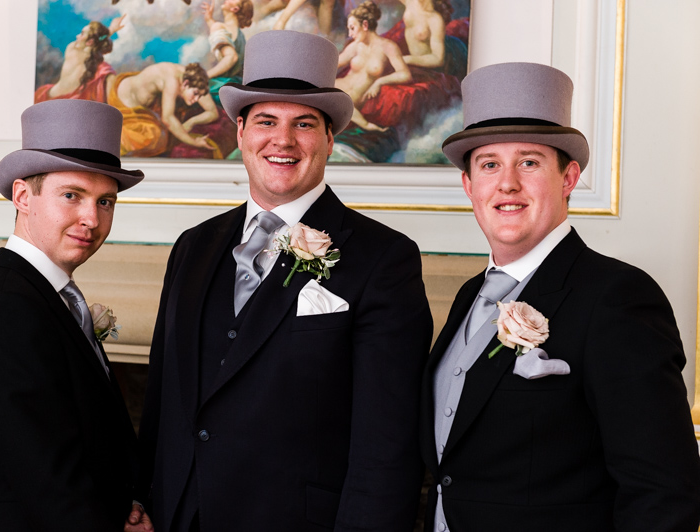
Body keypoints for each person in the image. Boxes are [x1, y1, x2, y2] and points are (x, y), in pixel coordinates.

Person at [129, 30, 433, 531]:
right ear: (241, 132)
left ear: (330, 138)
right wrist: (142, 500)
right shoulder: (192, 246)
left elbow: (388, 442)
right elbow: (163, 400)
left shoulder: (385, 258)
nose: (283, 140)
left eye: (304, 124)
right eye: (266, 121)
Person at [420, 62, 700, 531]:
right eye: (489, 164)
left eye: (529, 162)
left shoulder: (618, 297)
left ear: (568, 178)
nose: (507, 183)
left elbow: (664, 491)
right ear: (469, 185)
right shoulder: (472, 294)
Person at [0, 99, 151, 531]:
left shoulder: (45, 295)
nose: (91, 218)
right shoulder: (7, 307)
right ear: (23, 196)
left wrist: (128, 505)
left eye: (106, 201)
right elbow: (47, 478)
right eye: (71, 195)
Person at [107, 62, 218, 156]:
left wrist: (192, 121)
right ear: (185, 84)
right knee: (155, 138)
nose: (196, 99)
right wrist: (194, 142)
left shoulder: (194, 78)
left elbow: (213, 112)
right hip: (125, 103)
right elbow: (167, 119)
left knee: (170, 130)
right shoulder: (172, 81)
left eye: (199, 96)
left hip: (148, 106)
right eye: (195, 94)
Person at [335, 1, 411, 131]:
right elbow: (334, 64)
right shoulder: (355, 46)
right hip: (336, 91)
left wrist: (380, 81)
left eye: (352, 28)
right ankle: (363, 123)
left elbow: (405, 74)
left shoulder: (388, 47)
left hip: (348, 101)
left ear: (365, 25)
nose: (350, 34)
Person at [35, 16, 126, 103]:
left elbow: (97, 40)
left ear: (90, 42)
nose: (77, 36)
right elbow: (96, 40)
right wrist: (112, 29)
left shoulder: (71, 49)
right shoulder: (99, 67)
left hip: (52, 98)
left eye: (82, 33)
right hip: (51, 98)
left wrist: (111, 29)